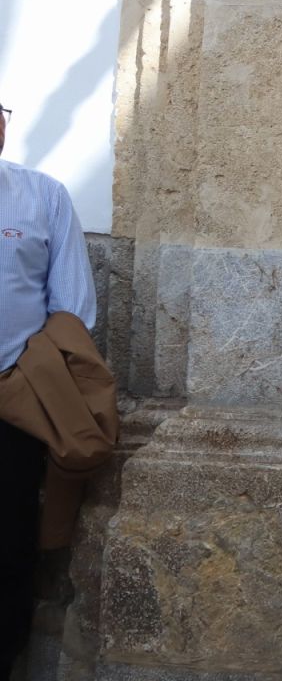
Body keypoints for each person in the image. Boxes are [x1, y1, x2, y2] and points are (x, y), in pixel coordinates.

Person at [0, 99, 102, 671]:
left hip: (12, 401)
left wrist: (30, 380)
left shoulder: (43, 196)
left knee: (9, 541)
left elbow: (72, 312)